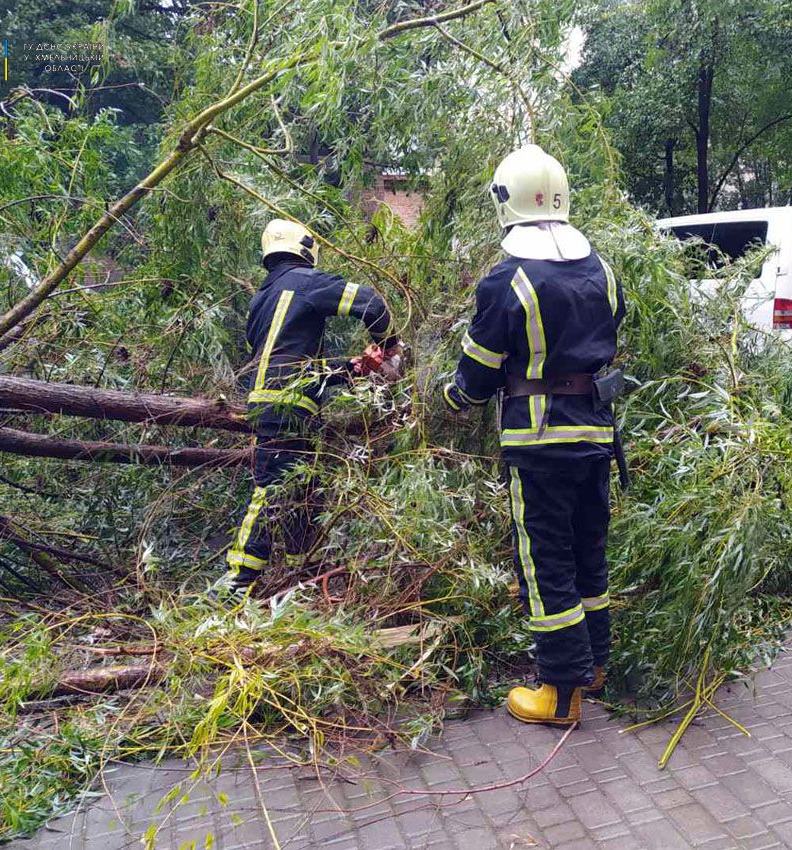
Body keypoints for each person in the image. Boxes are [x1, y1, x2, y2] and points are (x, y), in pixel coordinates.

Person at [442, 144, 626, 726]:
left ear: (504, 202)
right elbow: (610, 335)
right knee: (588, 552)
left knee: (546, 563)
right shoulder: (602, 267)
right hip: (596, 433)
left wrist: (453, 398)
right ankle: (594, 666)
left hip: (538, 445)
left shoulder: (507, 278)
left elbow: (478, 371)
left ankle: (559, 693)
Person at [223, 219, 400, 597]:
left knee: (302, 492)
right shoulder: (305, 282)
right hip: (287, 408)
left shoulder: (263, 298)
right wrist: (389, 348)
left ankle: (298, 579)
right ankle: (235, 585)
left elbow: (290, 362)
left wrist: (350, 369)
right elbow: (371, 301)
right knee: (270, 492)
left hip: (277, 405)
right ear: (305, 249)